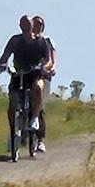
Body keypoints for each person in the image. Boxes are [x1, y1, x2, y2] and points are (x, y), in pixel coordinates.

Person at [0, 15, 51, 151]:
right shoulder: (15, 40)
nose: (26, 26)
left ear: (33, 25)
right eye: (23, 24)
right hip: (18, 73)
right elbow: (6, 54)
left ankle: (34, 118)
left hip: (34, 73)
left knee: (38, 87)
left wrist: (43, 67)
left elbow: (48, 59)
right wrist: (3, 64)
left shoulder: (41, 42)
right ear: (20, 26)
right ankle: (13, 133)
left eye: (28, 24)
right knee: (13, 102)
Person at [31, 16, 55, 153]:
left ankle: (40, 140)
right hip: (28, 74)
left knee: (40, 106)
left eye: (40, 25)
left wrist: (48, 68)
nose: (37, 27)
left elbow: (51, 59)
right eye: (35, 24)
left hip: (42, 75)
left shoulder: (45, 42)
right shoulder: (26, 41)